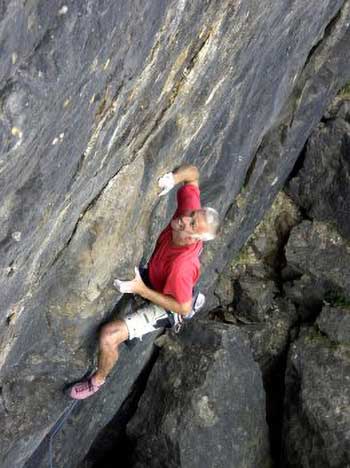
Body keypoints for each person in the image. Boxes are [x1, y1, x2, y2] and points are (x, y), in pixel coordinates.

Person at [68, 165, 219, 399]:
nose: (184, 219)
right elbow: (194, 175)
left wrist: (141, 289)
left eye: (192, 225)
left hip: (168, 303)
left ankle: (97, 381)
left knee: (108, 336)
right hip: (158, 276)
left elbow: (182, 306)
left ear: (194, 238)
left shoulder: (182, 267)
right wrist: (173, 178)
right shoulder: (188, 217)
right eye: (191, 216)